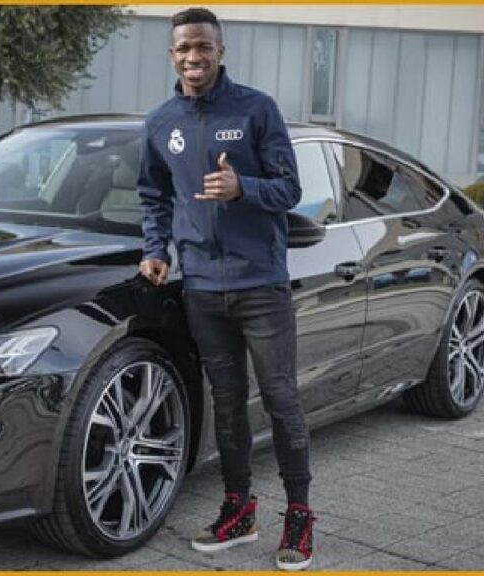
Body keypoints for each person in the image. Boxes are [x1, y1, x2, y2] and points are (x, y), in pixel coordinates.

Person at [136, 7, 315, 571]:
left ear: (221, 51)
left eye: (204, 47)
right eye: (184, 47)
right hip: (202, 290)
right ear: (172, 54)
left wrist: (244, 188)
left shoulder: (257, 109)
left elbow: (290, 188)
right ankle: (239, 509)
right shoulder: (161, 121)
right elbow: (153, 196)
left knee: (282, 401)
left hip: (260, 284)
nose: (194, 56)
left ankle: (300, 516)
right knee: (229, 405)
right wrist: (156, 248)